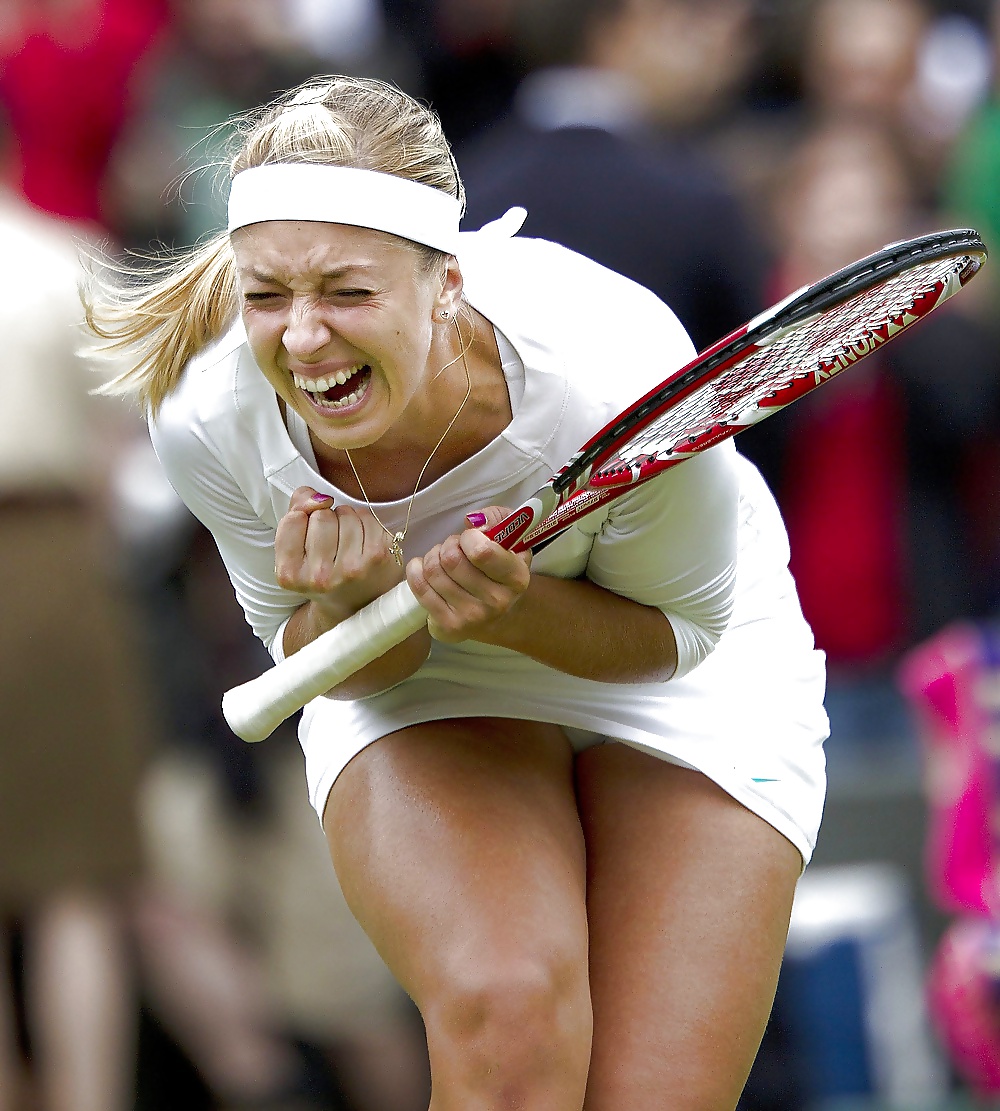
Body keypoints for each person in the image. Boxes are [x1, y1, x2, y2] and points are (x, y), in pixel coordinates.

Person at [85, 75, 829, 1111]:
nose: (302, 338)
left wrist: (514, 605)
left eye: (348, 292)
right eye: (266, 295)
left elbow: (680, 633)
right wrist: (354, 602)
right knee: (506, 1013)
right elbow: (330, 665)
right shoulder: (211, 408)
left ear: (447, 279)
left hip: (677, 662)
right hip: (425, 690)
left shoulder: (608, 358)